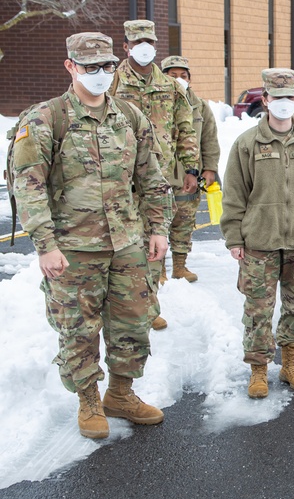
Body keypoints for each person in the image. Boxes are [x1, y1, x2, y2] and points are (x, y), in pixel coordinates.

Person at [11, 32, 173, 438]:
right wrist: (45, 245)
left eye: (105, 66)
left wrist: (157, 229)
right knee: (78, 329)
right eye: (89, 67)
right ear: (70, 67)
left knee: (134, 322)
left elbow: (151, 178)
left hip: (127, 244)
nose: (100, 75)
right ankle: (88, 401)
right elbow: (27, 185)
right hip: (73, 250)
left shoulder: (130, 116)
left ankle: (120, 394)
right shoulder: (46, 118)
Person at [221, 68, 294, 399]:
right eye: (277, 98)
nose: (284, 103)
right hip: (259, 243)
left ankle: (290, 364)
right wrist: (234, 237)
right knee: (258, 310)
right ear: (266, 100)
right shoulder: (247, 144)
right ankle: (259, 371)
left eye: (290, 98)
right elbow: (234, 194)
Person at [110, 19, 198, 330]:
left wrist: (190, 168)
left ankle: (149, 306)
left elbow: (185, 128)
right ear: (126, 46)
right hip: (118, 179)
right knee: (122, 245)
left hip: (158, 178)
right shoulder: (112, 84)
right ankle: (122, 309)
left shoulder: (170, 86)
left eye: (149, 41)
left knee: (154, 242)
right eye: (137, 42)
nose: (143, 47)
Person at [160, 55, 221, 283]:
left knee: (184, 221)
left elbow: (210, 140)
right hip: (161, 174)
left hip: (190, 175)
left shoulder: (199, 106)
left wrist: (210, 168)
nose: (178, 80)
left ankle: (180, 265)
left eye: (183, 76)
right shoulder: (154, 104)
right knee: (157, 222)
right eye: (172, 76)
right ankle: (159, 271)